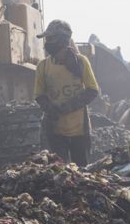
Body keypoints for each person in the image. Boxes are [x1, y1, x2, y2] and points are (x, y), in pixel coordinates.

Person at [34, 20, 100, 166]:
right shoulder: (43, 66)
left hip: (80, 131)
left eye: (50, 38)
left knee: (82, 171)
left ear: (62, 40)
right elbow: (39, 95)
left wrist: (68, 107)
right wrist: (50, 108)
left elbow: (92, 90)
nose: (47, 42)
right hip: (55, 131)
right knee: (60, 173)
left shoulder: (82, 62)